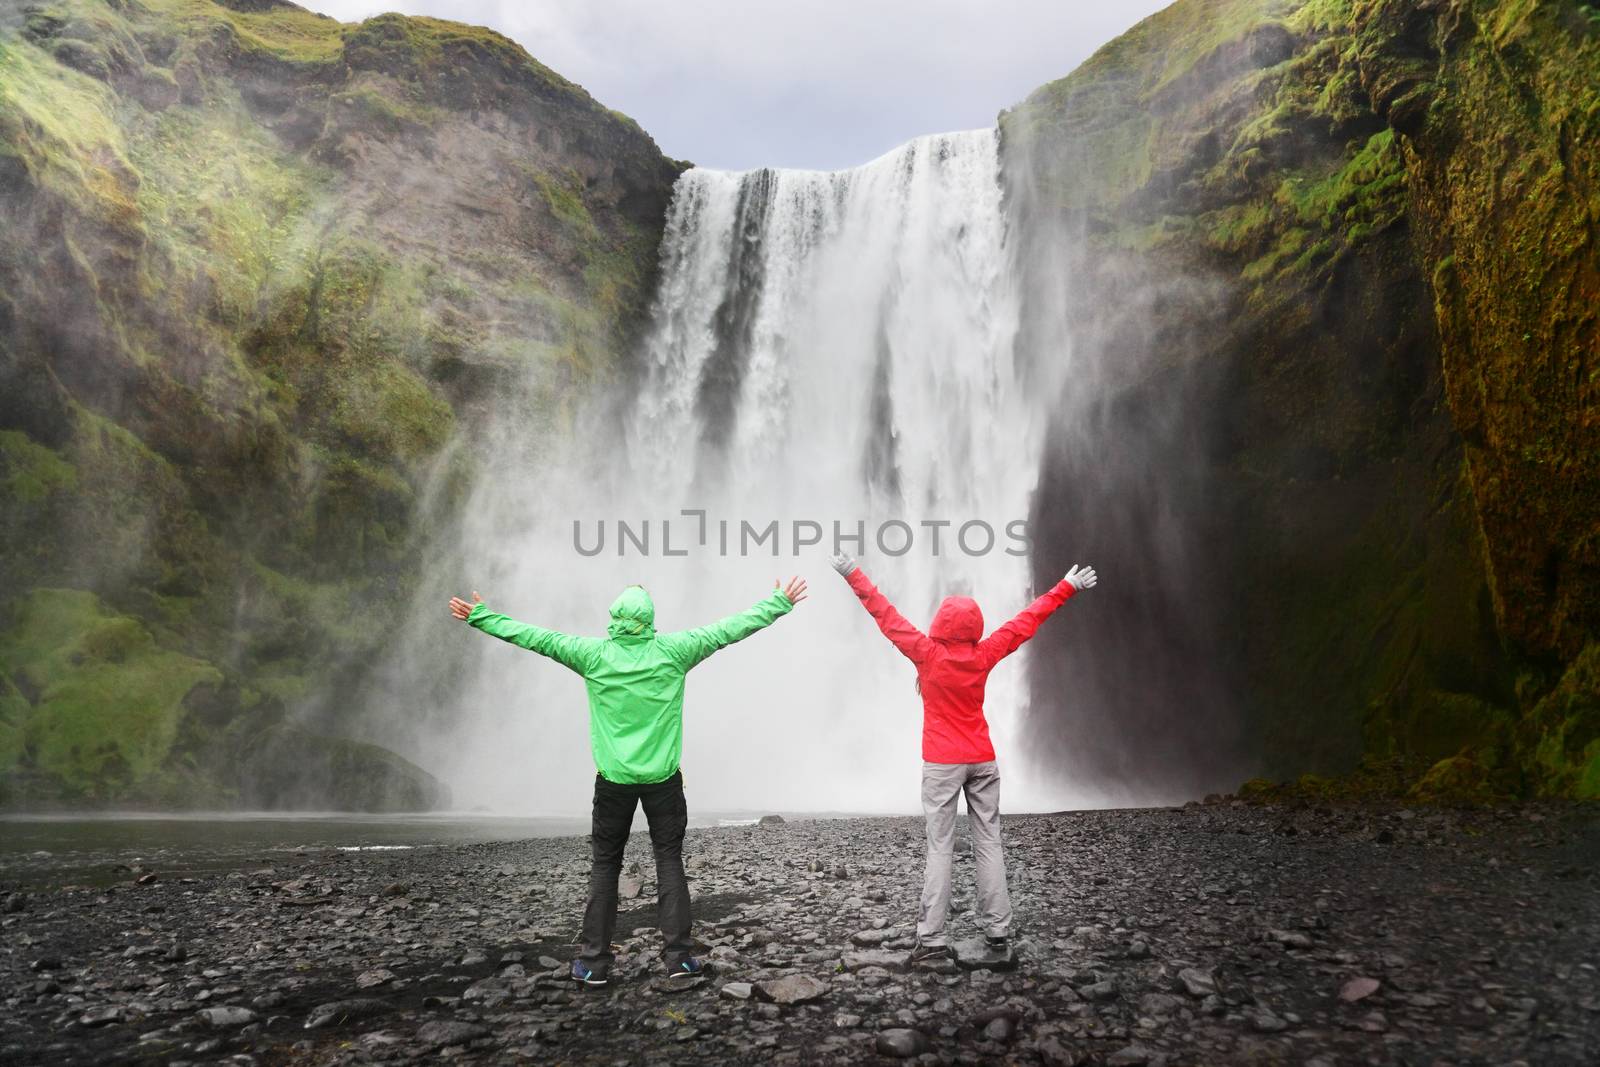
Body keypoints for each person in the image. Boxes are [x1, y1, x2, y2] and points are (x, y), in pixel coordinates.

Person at [448, 577, 808, 986]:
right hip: (663, 782)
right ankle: (678, 960)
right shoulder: (676, 650)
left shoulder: (592, 655)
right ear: (651, 620)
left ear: (615, 619)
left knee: (606, 866)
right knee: (668, 861)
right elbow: (729, 629)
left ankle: (594, 964)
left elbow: (535, 638)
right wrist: (779, 603)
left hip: (613, 783)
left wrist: (482, 617)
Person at [827, 553, 1096, 961]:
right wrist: (1067, 587)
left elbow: (884, 612)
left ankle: (933, 939)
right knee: (989, 842)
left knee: (941, 846)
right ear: (975, 627)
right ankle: (998, 934)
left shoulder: (925, 653)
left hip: (941, 762)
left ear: (939, 624)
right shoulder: (984, 654)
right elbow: (1025, 622)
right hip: (982, 759)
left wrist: (851, 572)